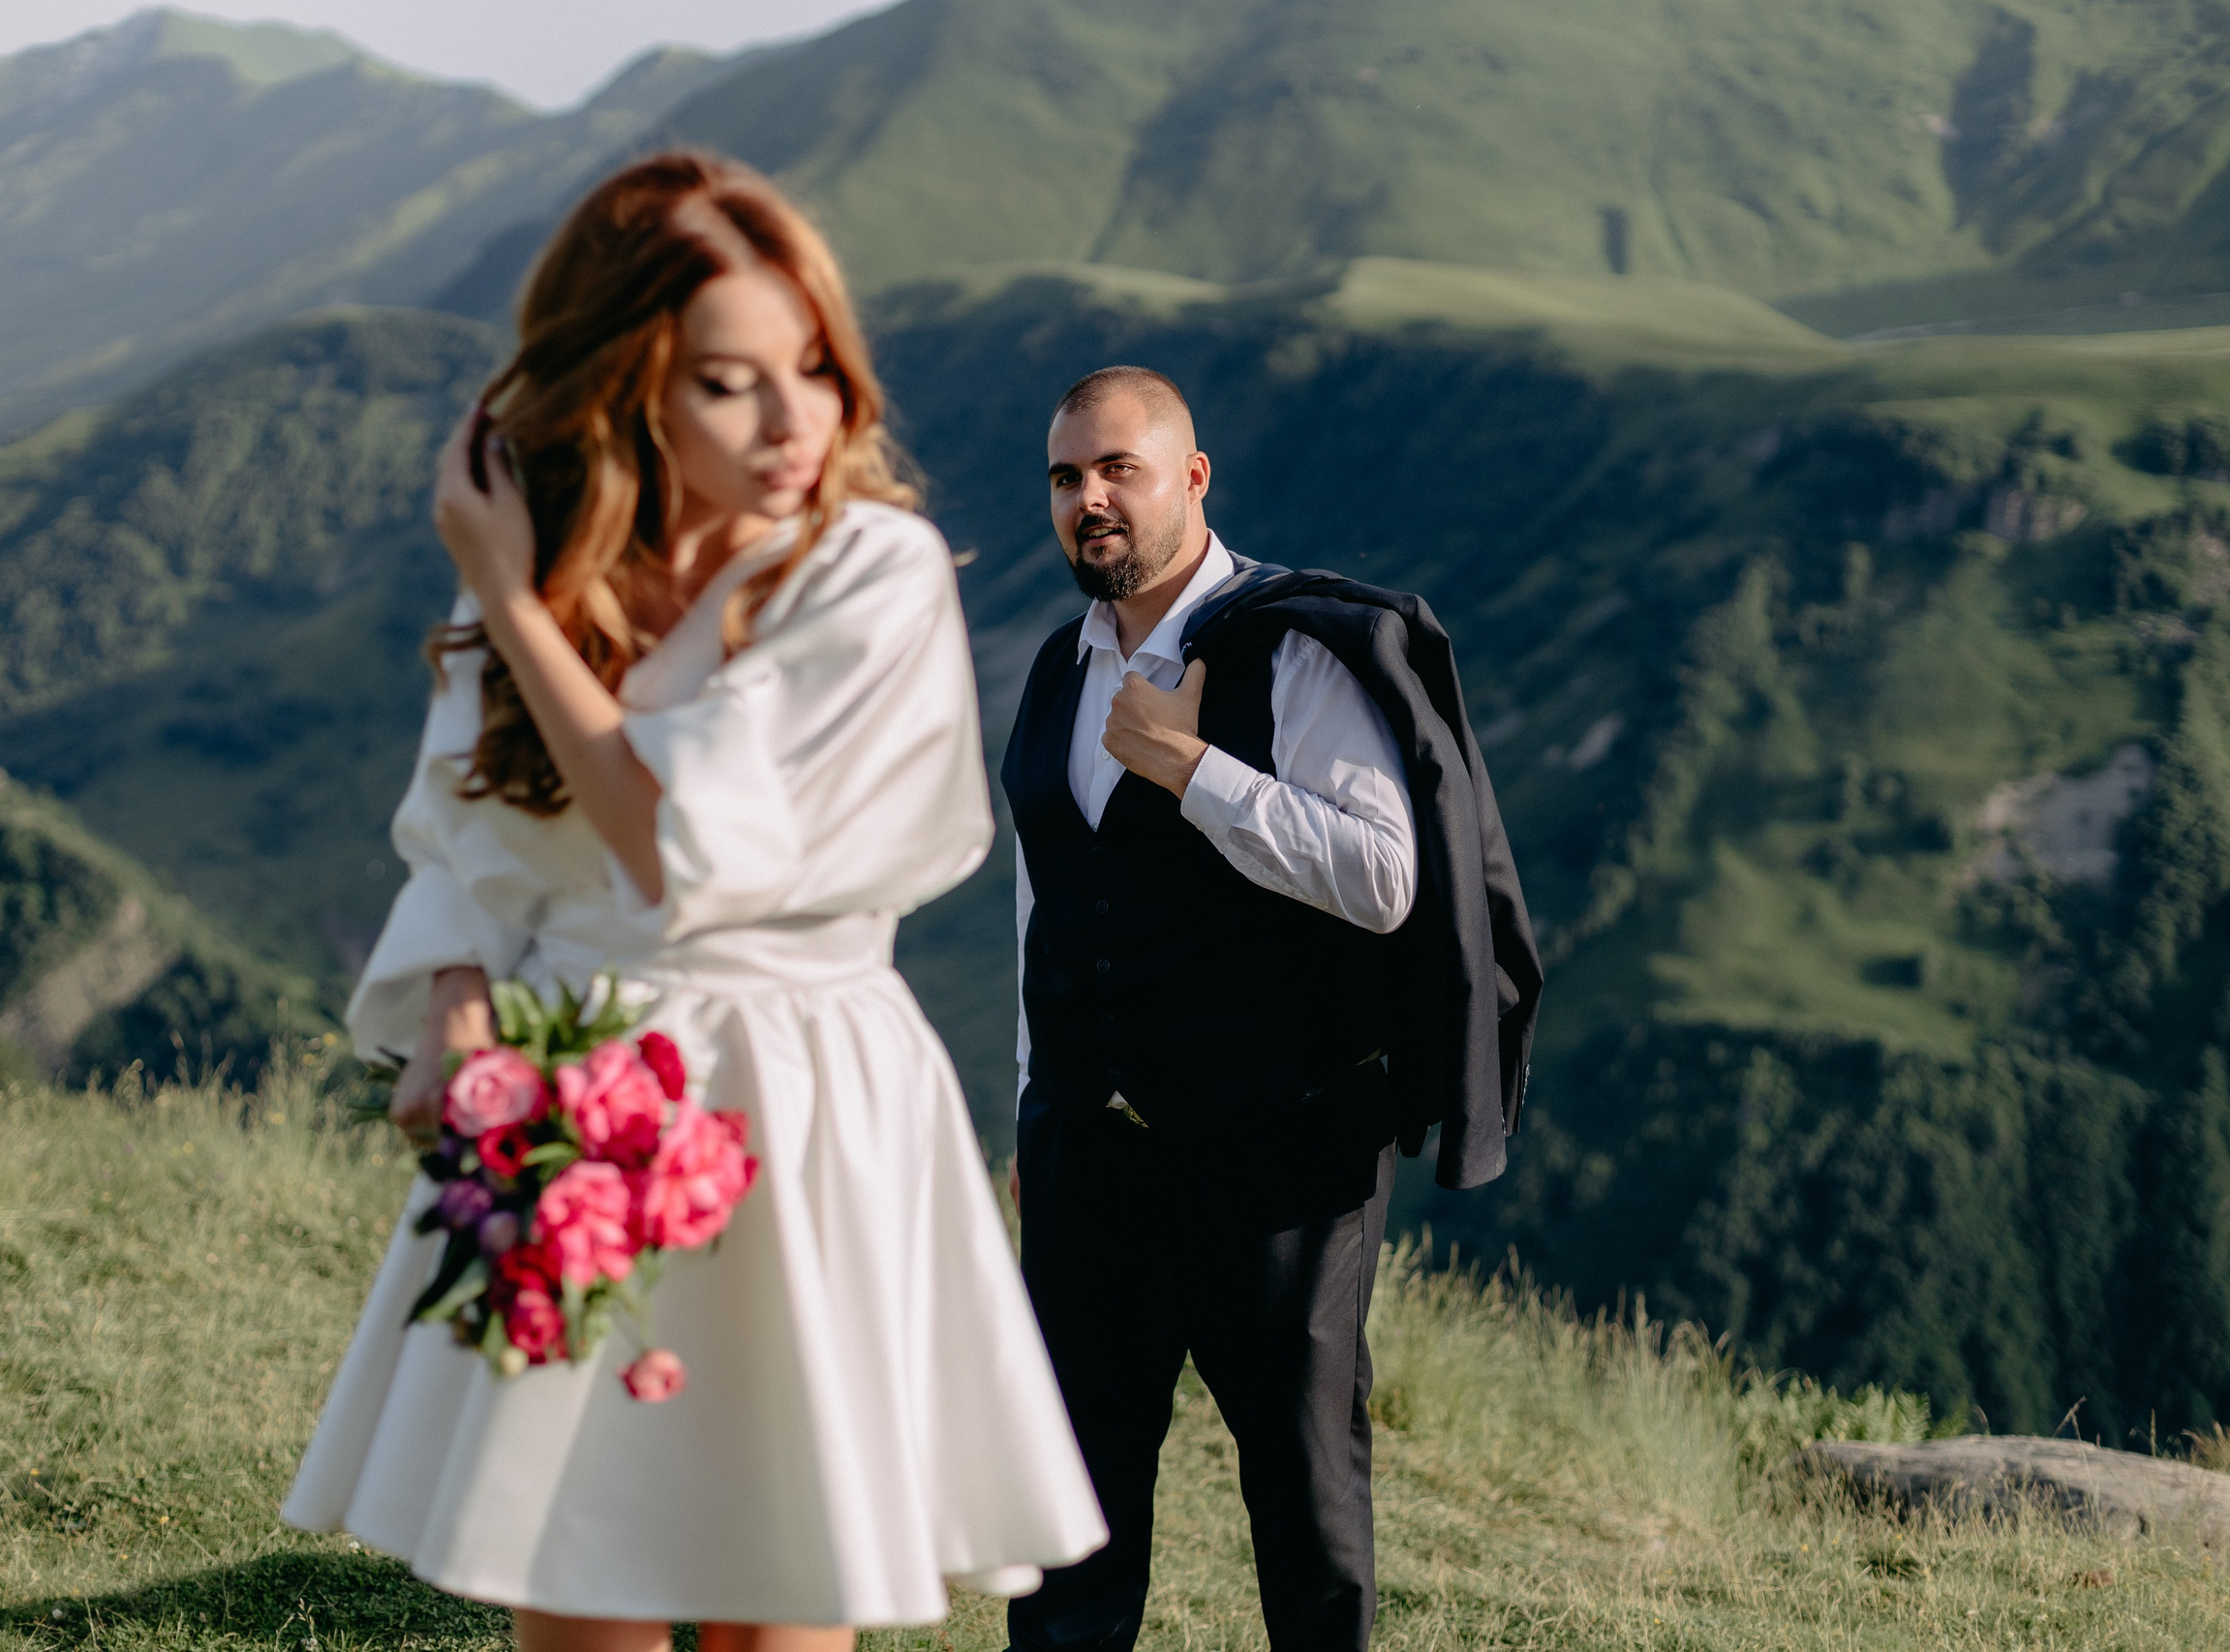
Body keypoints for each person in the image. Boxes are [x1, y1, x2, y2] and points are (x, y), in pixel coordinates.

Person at [283, 152, 1106, 1652]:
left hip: (795, 1089)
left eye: (812, 366)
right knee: (581, 1571)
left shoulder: (871, 572)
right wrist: (459, 1014)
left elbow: (674, 849)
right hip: (574, 1081)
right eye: (731, 383)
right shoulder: (552, 567)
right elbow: (459, 838)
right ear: (627, 385)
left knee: (775, 1582)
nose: (798, 421)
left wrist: (515, 606)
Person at [1002, 367, 1542, 1652]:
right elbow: (1047, 903)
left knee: (1304, 1500)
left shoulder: (1298, 649)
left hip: (1283, 1154)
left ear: (1192, 478)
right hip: (1091, 1154)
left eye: (1117, 469)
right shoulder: (1055, 667)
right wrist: (1035, 1099)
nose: (1089, 501)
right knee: (1066, 1503)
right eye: (1067, 478)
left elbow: (1387, 877)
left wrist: (1194, 770)